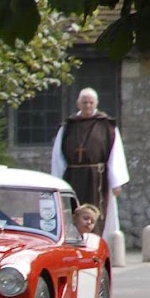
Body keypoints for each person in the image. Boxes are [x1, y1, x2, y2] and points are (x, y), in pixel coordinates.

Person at [51, 87, 130, 240]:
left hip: (98, 179)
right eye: (84, 102)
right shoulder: (68, 126)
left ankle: (98, 244)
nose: (88, 106)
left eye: (91, 102)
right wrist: (57, 181)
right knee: (73, 211)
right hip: (72, 177)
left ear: (96, 104)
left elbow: (115, 153)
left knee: (98, 214)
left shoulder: (107, 126)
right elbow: (58, 156)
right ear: (78, 104)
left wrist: (116, 181)